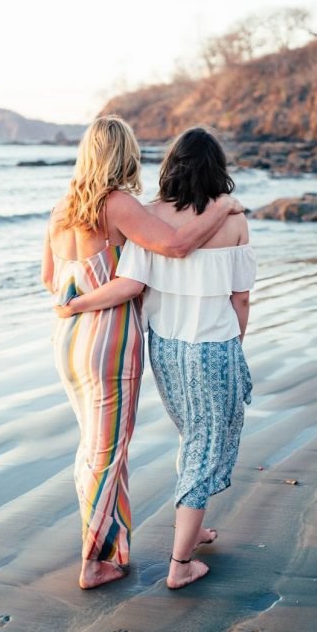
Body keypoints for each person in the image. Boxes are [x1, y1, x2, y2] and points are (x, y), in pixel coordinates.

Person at [41, 117, 243, 590]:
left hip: (67, 340)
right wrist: (224, 207)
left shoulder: (62, 208)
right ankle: (95, 561)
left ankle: (108, 544)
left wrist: (76, 300)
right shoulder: (117, 204)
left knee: (90, 447)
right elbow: (174, 245)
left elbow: (50, 279)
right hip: (107, 340)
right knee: (107, 451)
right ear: (123, 153)